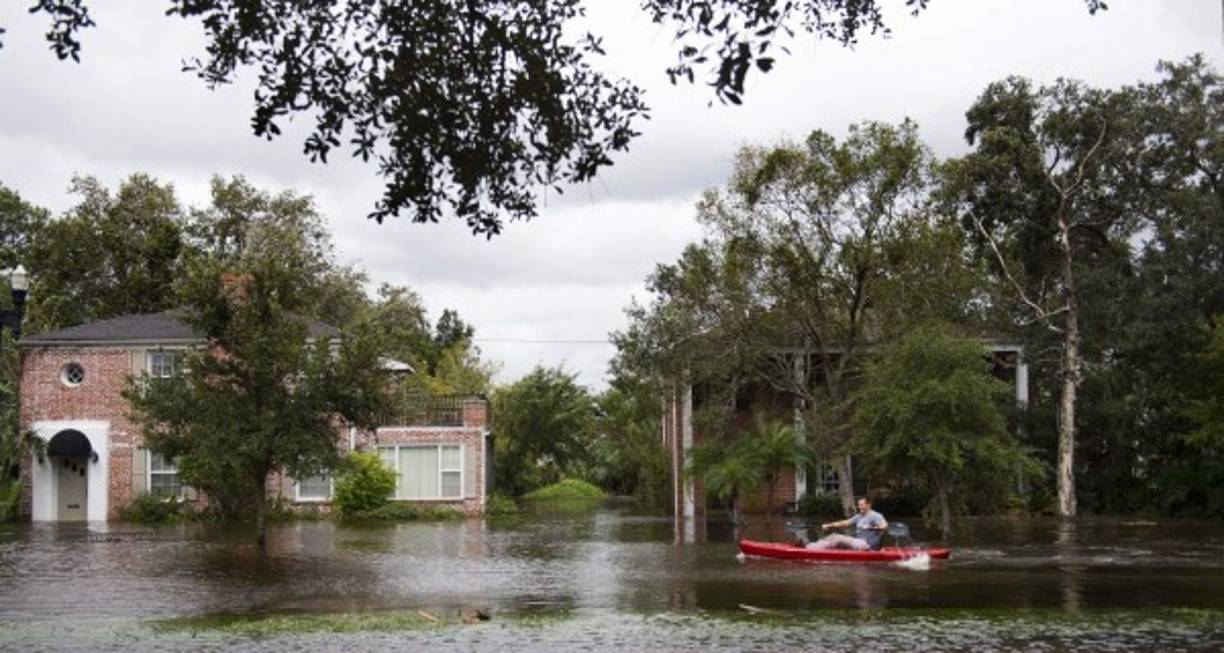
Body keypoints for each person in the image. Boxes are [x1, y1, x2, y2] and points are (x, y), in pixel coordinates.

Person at [802, 496, 888, 551]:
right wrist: (829, 525)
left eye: (862, 505)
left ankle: (809, 548)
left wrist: (877, 527)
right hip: (858, 543)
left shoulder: (875, 515)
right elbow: (845, 523)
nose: (859, 507)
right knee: (833, 537)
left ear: (869, 505)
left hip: (867, 546)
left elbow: (884, 525)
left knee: (836, 537)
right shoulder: (859, 516)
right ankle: (813, 545)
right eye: (859, 505)